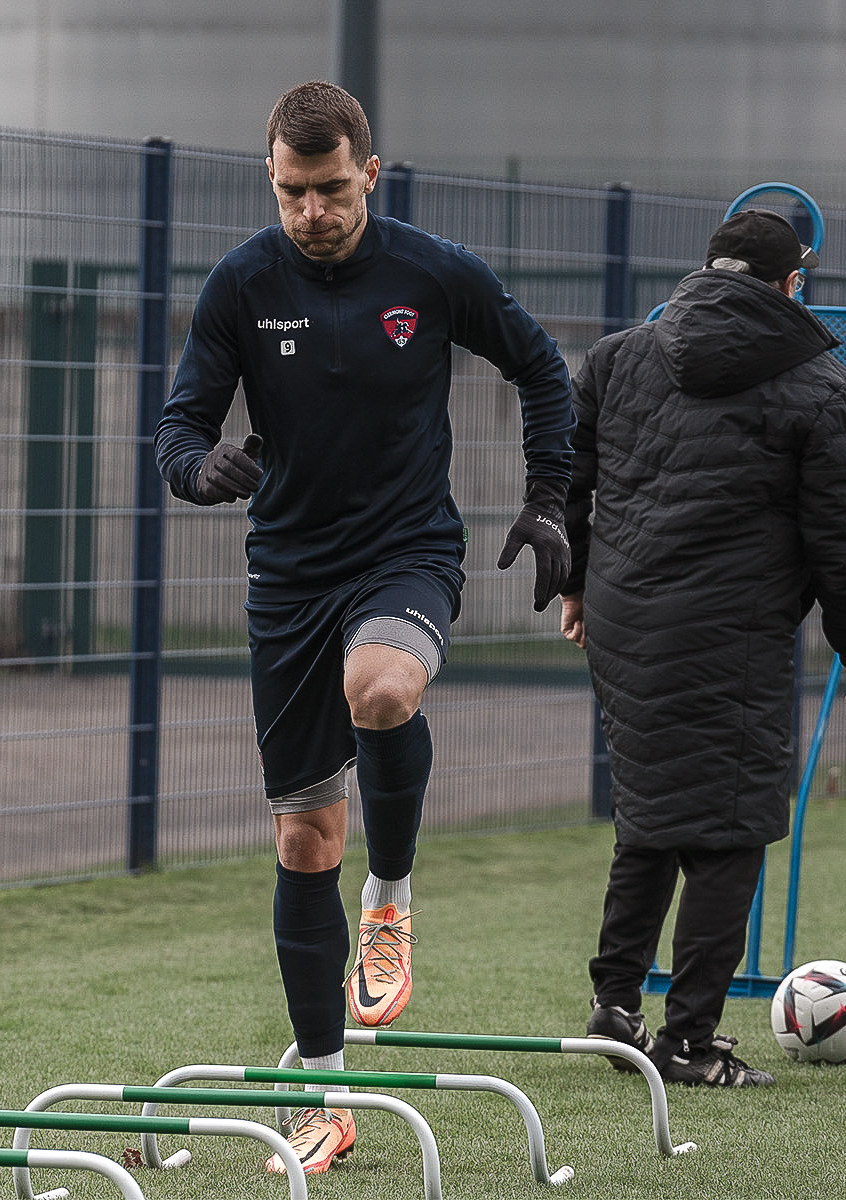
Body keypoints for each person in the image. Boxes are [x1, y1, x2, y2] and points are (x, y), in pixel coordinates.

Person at [154, 80, 575, 1172]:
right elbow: (177, 427)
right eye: (293, 193)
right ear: (272, 181)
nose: (313, 212)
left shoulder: (430, 273)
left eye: (332, 190)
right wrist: (204, 470)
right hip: (289, 580)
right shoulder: (242, 285)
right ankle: (322, 1087)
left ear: (369, 174)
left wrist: (550, 496)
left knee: (382, 690)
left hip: (406, 554)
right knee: (301, 841)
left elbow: (539, 367)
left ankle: (389, 899)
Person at [560, 208, 846, 1088]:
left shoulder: (618, 357)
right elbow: (844, 537)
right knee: (731, 827)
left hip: (623, 622)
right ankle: (690, 1042)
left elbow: (572, 476)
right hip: (732, 631)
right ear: (793, 285)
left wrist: (577, 585)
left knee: (652, 810)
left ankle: (614, 1004)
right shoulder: (823, 389)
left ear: (706, 272)